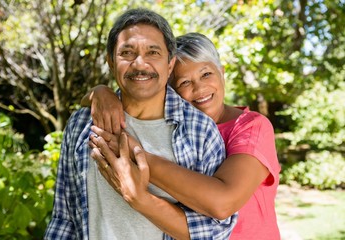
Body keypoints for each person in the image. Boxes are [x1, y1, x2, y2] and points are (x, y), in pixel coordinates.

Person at [45, 8, 237, 240]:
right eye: (127, 52)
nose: (140, 63)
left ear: (169, 64)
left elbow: (217, 231)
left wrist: (140, 197)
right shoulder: (82, 122)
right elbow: (63, 218)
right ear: (111, 62)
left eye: (153, 52)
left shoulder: (200, 132)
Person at [85, 32, 281, 240]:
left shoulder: (251, 127)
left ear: (222, 73)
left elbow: (223, 203)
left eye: (206, 74)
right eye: (184, 82)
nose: (199, 88)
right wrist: (99, 92)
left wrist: (135, 154)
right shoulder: (173, 130)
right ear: (169, 91)